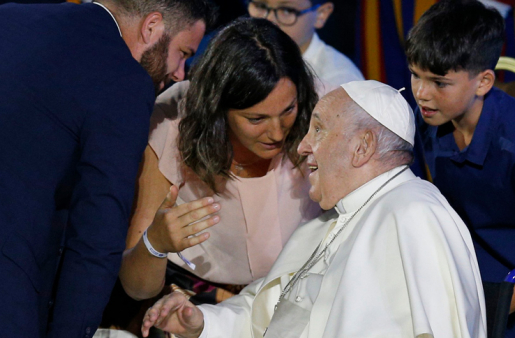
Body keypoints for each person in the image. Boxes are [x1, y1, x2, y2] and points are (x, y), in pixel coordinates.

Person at [140, 80, 487, 338]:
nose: (303, 146)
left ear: (362, 146)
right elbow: (264, 312)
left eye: (318, 129)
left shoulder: (414, 210)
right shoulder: (326, 223)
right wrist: (204, 323)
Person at [0, 0, 215, 337]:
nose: (180, 72)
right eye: (183, 52)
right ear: (152, 26)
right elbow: (95, 238)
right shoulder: (124, 82)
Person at [118, 18, 322, 306]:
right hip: (194, 301)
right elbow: (137, 287)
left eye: (288, 110)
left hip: (296, 299)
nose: (277, 132)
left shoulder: (321, 107)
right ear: (217, 109)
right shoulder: (174, 120)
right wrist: (155, 244)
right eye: (256, 119)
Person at [406, 0, 515, 337]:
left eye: (439, 82)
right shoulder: (433, 120)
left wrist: (498, 304)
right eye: (415, 75)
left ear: (483, 82)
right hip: (475, 287)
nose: (421, 93)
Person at [247, 0, 364, 97]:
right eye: (260, 6)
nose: (269, 20)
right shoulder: (236, 56)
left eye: (287, 10)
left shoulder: (339, 84)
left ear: (321, 14)